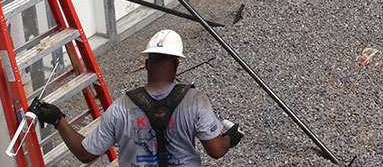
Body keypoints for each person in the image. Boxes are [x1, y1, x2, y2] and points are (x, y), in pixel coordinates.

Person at [30, 29, 242, 166]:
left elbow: (85, 153)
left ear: (147, 64)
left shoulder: (121, 107)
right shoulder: (194, 101)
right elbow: (216, 150)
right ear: (177, 64)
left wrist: (57, 119)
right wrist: (229, 138)